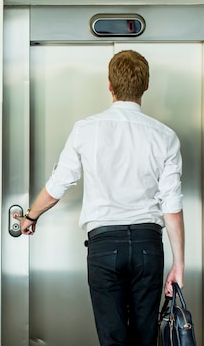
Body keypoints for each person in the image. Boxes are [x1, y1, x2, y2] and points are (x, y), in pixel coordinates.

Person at [17, 50, 185, 346]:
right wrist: (179, 265)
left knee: (113, 338)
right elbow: (171, 205)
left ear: (109, 85)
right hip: (148, 246)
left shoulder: (86, 129)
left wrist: (30, 216)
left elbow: (58, 185)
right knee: (146, 338)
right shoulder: (165, 136)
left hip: (105, 246)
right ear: (146, 86)